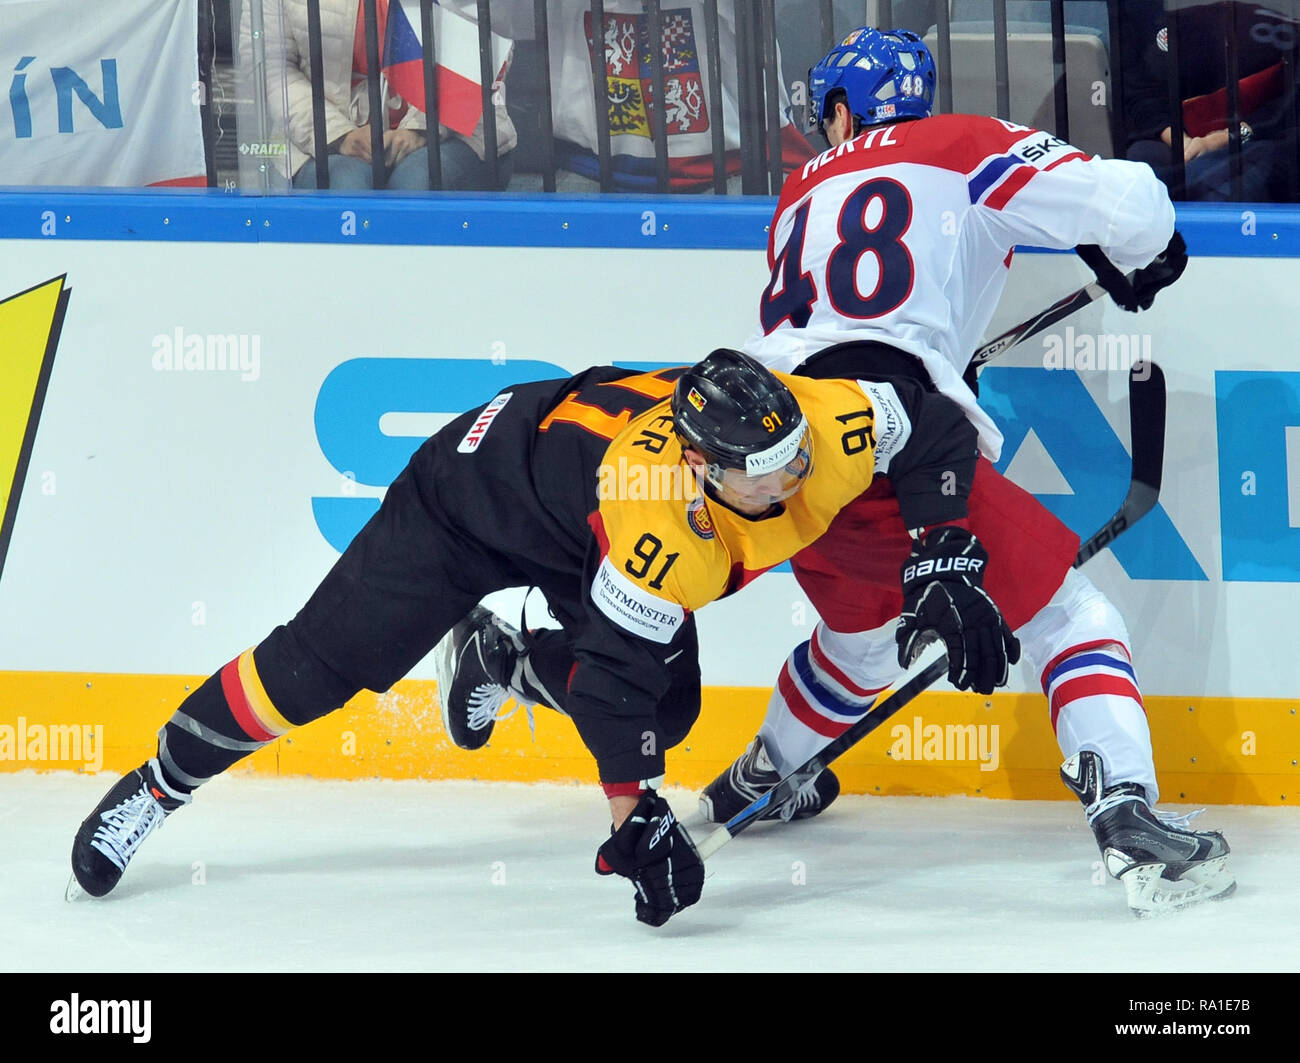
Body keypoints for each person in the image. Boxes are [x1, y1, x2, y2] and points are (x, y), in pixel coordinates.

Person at [442, 27, 1232, 917]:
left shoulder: (798, 192)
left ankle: (762, 775)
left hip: (793, 460)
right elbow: (1127, 205)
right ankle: (1129, 816)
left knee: (860, 645)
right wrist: (1146, 248)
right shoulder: (967, 142)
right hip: (896, 442)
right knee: (1070, 615)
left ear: (846, 111)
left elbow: (854, 318)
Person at [70, 350, 1015, 927]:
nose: (795, 480)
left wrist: (939, 552)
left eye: (794, 456)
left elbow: (931, 426)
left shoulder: (823, 419)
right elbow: (609, 684)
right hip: (468, 502)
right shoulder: (663, 529)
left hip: (573, 500)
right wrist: (632, 817)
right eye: (767, 475)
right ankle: (157, 784)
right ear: (702, 466)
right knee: (313, 672)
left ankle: (501, 659)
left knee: (675, 708)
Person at [242, 0, 517, 191]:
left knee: (415, 186)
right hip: (324, 136)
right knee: (347, 189)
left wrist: (420, 129)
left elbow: (485, 42)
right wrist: (337, 135)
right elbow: (269, 67)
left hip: (453, 130)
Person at [1119, 0, 1296, 203]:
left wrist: (1231, 136)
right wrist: (1182, 144)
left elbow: (1292, 101)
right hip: (1174, 135)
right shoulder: (1140, 12)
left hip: (1266, 135)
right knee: (1142, 167)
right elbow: (1140, 91)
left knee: (1221, 179)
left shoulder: (1280, 15)